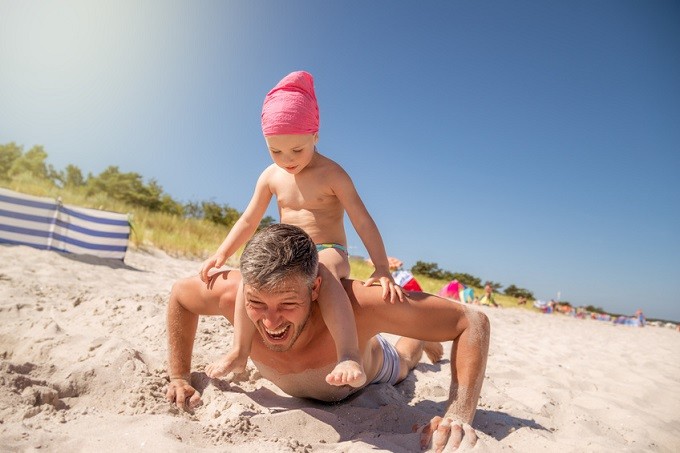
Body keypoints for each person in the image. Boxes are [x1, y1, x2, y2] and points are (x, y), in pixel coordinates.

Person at [167, 224, 490, 450]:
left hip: (376, 369)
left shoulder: (360, 305)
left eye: (288, 304)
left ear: (316, 288)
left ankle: (417, 339)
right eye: (256, 303)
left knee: (405, 361)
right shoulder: (229, 295)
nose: (270, 320)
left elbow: (472, 321)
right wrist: (179, 375)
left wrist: (459, 414)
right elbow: (181, 297)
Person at [199, 71, 402, 389]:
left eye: (297, 150)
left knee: (324, 270)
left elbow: (362, 220)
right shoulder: (271, 176)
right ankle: (239, 351)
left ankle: (348, 354)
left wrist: (380, 267)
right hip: (287, 255)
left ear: (315, 136)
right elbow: (249, 220)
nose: (287, 160)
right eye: (276, 151)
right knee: (250, 278)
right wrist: (221, 254)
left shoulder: (332, 174)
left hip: (328, 250)